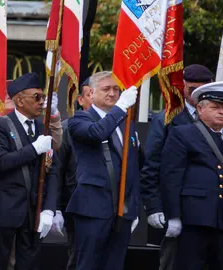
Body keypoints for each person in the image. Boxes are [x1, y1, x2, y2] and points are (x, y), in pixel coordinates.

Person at [0, 86, 62, 270]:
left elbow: (52, 169)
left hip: (31, 212)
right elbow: (0, 162)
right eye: (37, 97)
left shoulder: (41, 127)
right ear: (20, 100)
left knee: (28, 263)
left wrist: (49, 209)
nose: (41, 102)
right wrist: (34, 149)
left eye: (43, 97)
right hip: (1, 208)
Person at [140, 64, 215, 270]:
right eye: (192, 89)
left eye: (203, 90)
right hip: (176, 206)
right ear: (182, 87)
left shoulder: (217, 117)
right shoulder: (167, 117)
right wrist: (154, 206)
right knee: (174, 262)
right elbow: (152, 165)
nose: (197, 95)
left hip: (208, 210)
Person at [67, 71, 140, 270]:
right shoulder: (80, 119)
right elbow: (97, 133)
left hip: (122, 209)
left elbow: (133, 166)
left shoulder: (126, 124)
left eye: (116, 89)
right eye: (106, 89)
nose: (112, 93)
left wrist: (133, 206)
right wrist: (120, 107)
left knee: (114, 265)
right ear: (91, 93)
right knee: (88, 264)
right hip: (93, 207)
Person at [161, 81, 223, 269]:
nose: (221, 112)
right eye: (216, 107)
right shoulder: (183, 134)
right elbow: (171, 176)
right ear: (200, 109)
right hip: (194, 215)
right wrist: (173, 215)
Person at [52, 77, 92, 270]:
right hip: (75, 203)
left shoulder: (119, 127)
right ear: (80, 99)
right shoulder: (69, 128)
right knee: (79, 255)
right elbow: (58, 169)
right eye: (89, 94)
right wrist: (56, 207)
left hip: (108, 203)